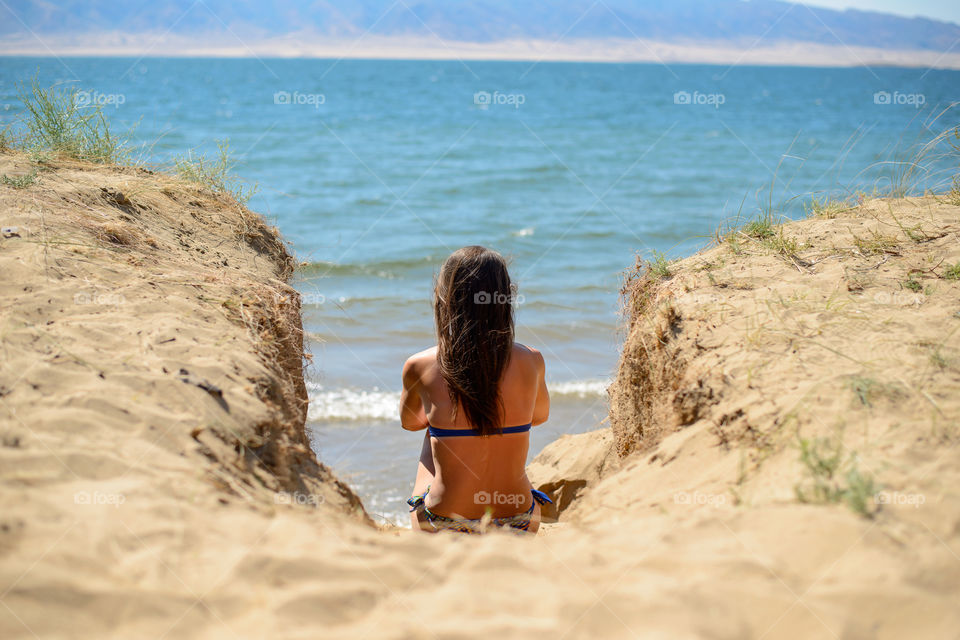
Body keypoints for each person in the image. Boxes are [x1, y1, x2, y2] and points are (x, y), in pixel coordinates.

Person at [400, 246, 552, 534]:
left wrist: (448, 417)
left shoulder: (419, 364)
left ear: (444, 297)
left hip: (443, 521)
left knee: (432, 431)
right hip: (519, 518)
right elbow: (539, 416)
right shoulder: (532, 360)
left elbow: (410, 424)